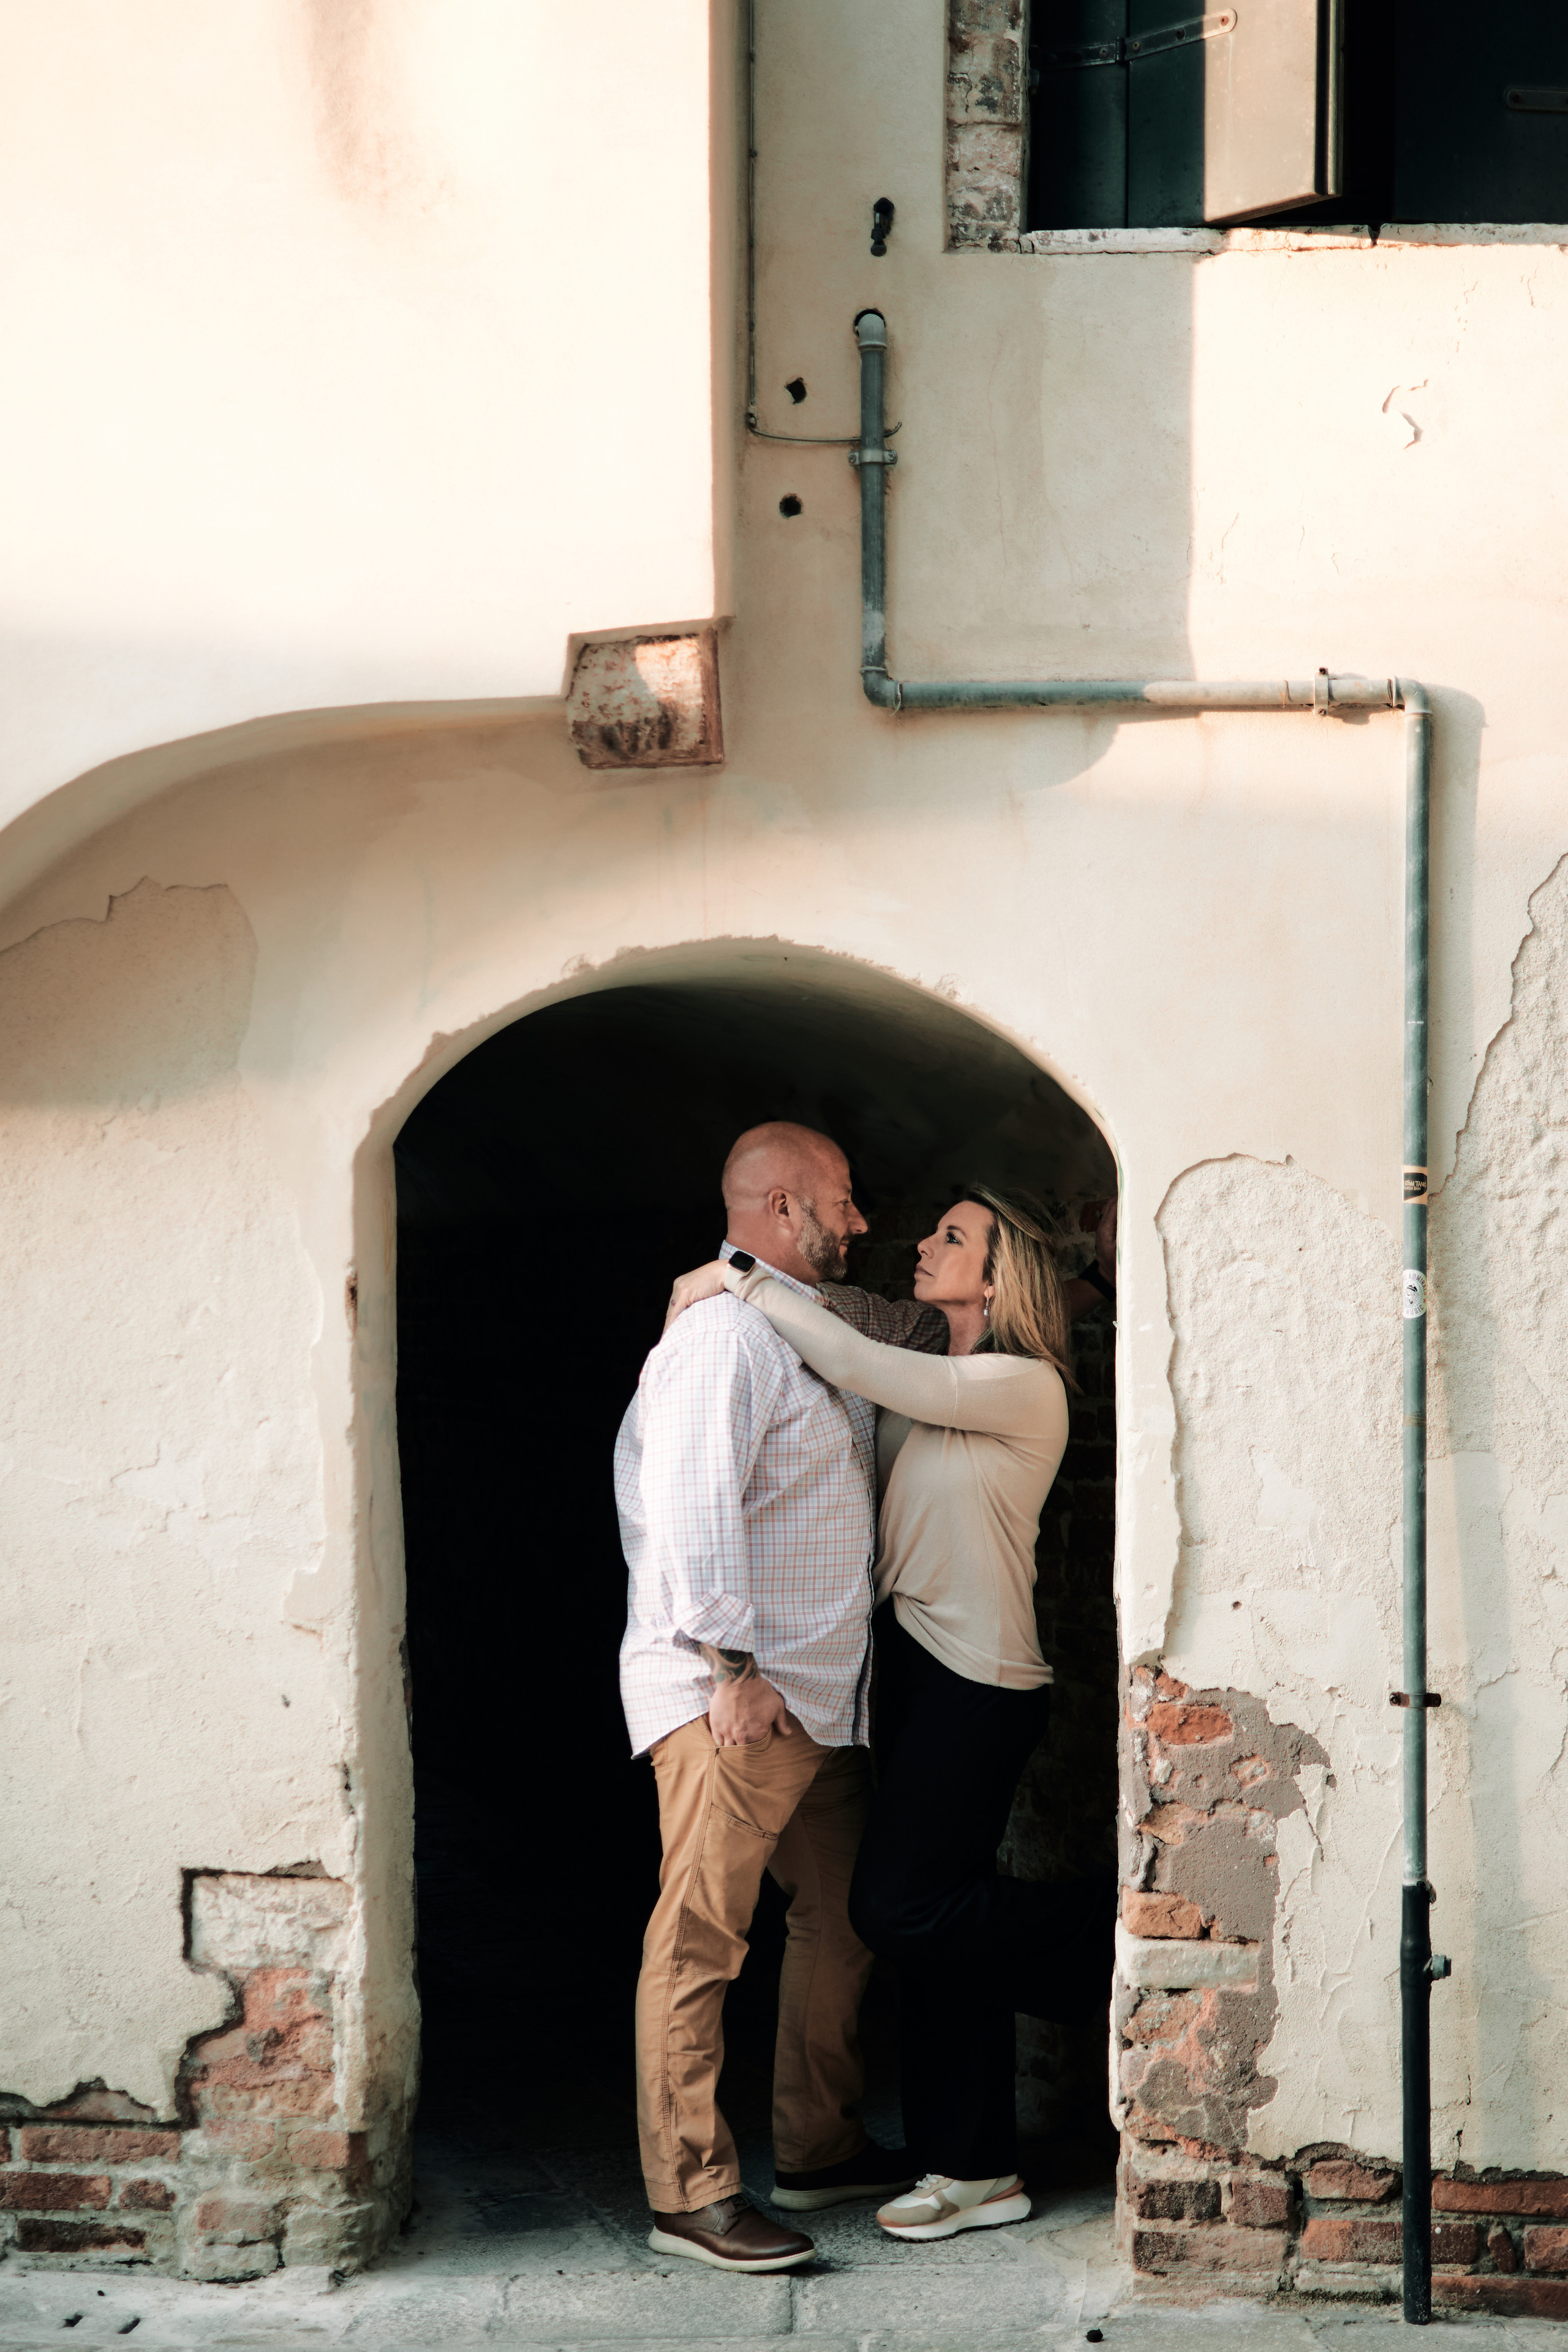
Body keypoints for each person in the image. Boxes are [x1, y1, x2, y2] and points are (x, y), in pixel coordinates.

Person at [666, 1185, 1115, 2244]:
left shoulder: (1023, 1384)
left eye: (954, 1237)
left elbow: (854, 1360)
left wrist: (735, 1276)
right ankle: (971, 2167)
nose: (925, 1242)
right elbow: (854, 1334)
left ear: (1002, 1280)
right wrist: (735, 1291)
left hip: (980, 1679)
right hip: (907, 1672)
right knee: (939, 1926)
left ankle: (1112, 1942)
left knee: (900, 1908)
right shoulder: (938, 1373)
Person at [614, 1120, 951, 2274]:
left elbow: (921, 1331)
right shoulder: (720, 1343)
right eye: (844, 1200)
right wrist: (734, 1672)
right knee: (701, 1938)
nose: (863, 1220)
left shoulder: (794, 1320)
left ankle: (815, 2144)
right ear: (777, 1208)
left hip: (821, 1701)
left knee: (847, 1920)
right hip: (739, 1701)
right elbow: (692, 1512)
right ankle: (691, 2195)